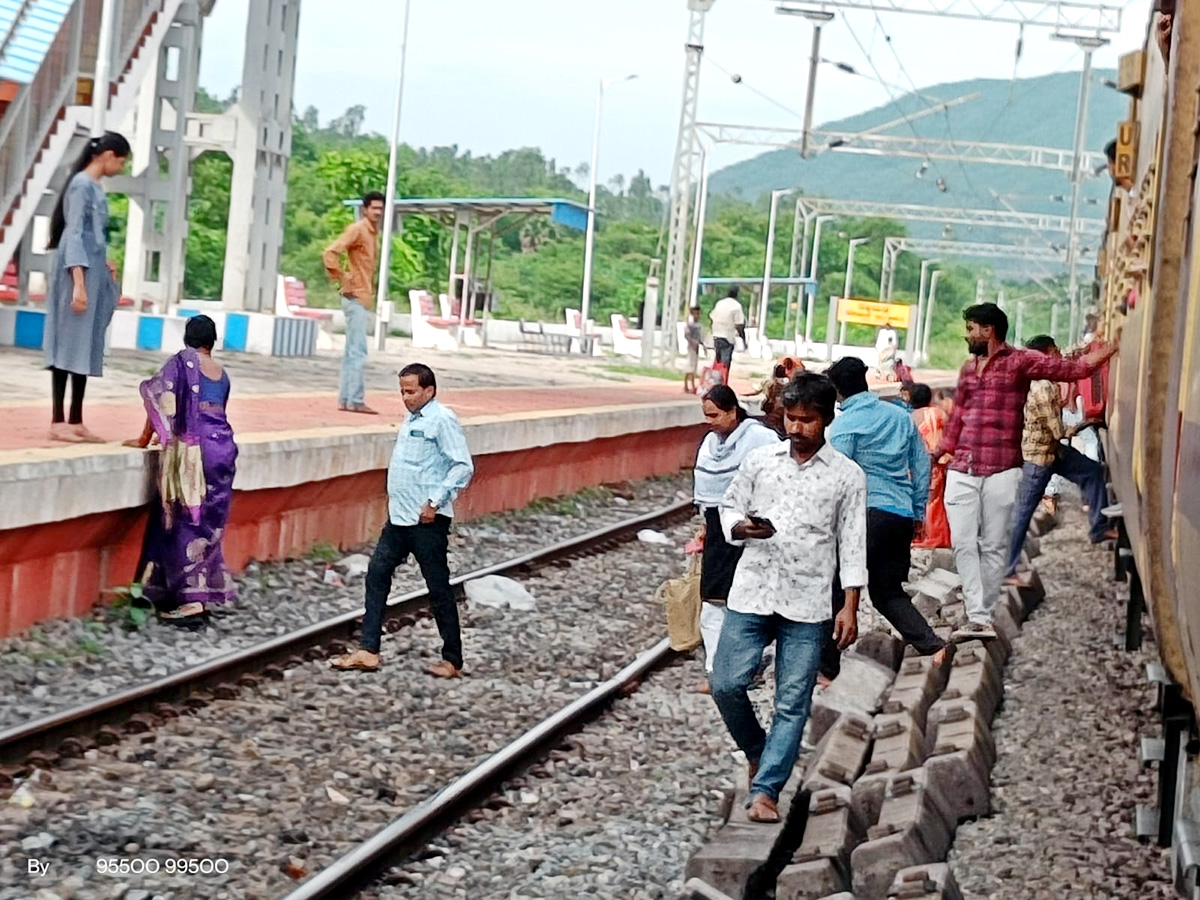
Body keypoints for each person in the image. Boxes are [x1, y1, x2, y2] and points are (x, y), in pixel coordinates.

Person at [711, 373, 867, 823]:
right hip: (753, 589)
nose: (797, 429)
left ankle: (766, 791)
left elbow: (852, 542)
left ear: (826, 420)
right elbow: (729, 506)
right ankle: (758, 750)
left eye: (807, 421)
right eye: (791, 420)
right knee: (726, 683)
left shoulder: (848, 476)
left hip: (808, 601)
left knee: (793, 700)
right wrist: (743, 527)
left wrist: (850, 605)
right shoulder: (761, 461)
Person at [937, 304, 1117, 641]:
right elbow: (960, 417)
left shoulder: (1018, 365)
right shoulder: (984, 372)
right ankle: (993, 590)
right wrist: (940, 451)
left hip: (1023, 459)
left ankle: (988, 603)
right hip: (1015, 459)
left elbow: (1072, 365)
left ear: (989, 330)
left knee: (1006, 526)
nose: (967, 334)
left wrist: (1107, 349)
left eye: (971, 328)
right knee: (996, 527)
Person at [331, 364, 474, 677]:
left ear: (429, 391)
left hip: (426, 521)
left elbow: (462, 466)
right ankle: (369, 649)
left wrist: (435, 501)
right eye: (402, 392)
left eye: (411, 391)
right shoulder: (412, 421)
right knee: (377, 574)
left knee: (437, 588)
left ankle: (452, 659)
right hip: (399, 519)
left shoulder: (441, 419)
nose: (406, 398)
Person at [821, 358, 950, 683]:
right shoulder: (899, 416)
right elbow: (921, 464)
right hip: (899, 514)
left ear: (837, 392)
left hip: (864, 515)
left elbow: (838, 476)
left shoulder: (844, 426)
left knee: (836, 589)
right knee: (888, 591)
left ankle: (827, 669)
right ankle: (933, 646)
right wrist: (918, 510)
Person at [124, 315, 237, 623]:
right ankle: (198, 593)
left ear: (187, 339)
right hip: (223, 451)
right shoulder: (222, 373)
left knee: (186, 521)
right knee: (209, 523)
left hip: (193, 454)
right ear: (213, 341)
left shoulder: (183, 362)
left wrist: (144, 438)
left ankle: (191, 603)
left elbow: (161, 398)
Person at [1004, 336, 1117, 581]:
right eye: (1054, 352)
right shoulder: (1043, 386)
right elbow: (1058, 431)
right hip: (1039, 458)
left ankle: (1099, 528)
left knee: (1092, 471)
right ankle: (1007, 570)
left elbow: (1068, 356)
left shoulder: (1044, 369)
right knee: (1023, 513)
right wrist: (1079, 426)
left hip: (1052, 451)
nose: (1059, 356)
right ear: (1046, 355)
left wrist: (1096, 347)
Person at [44, 132, 131, 443]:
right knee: (66, 343)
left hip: (91, 269)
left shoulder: (95, 187)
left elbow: (93, 236)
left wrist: (103, 262)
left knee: (84, 344)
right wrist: (78, 283)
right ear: (107, 155)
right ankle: (58, 420)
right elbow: (76, 234)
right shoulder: (81, 184)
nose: (120, 168)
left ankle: (76, 419)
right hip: (75, 271)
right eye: (120, 161)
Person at [692, 385, 781, 690]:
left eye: (715, 415)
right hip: (720, 528)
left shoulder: (760, 438)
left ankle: (748, 668)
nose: (711, 422)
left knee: (749, 603)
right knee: (714, 601)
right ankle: (717, 672)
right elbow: (707, 494)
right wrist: (704, 525)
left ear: (732, 411)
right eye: (706, 416)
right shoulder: (710, 444)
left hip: (754, 530)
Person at [324, 191, 385, 415]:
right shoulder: (358, 229)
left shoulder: (372, 233)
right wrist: (342, 277)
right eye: (374, 208)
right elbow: (330, 252)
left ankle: (346, 399)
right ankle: (356, 399)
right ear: (365, 209)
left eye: (380, 208)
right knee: (358, 351)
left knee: (352, 351)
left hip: (361, 296)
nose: (377, 212)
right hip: (355, 296)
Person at [909, 384, 952, 549]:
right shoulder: (940, 414)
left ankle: (925, 537)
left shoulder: (912, 418)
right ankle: (940, 536)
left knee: (923, 501)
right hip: (939, 463)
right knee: (936, 502)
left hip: (919, 466)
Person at [710, 285, 747, 376]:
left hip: (717, 335)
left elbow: (712, 317)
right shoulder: (736, 306)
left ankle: (714, 381)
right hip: (728, 337)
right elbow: (739, 324)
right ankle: (722, 383)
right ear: (737, 294)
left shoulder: (720, 303)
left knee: (717, 361)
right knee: (725, 363)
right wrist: (743, 338)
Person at [684, 305, 704, 394]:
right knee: (690, 366)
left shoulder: (698, 325)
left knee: (693, 366)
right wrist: (692, 342)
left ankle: (688, 385)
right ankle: (690, 385)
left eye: (698, 313)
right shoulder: (690, 324)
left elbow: (700, 336)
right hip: (691, 347)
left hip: (696, 347)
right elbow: (686, 335)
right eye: (695, 313)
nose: (697, 315)